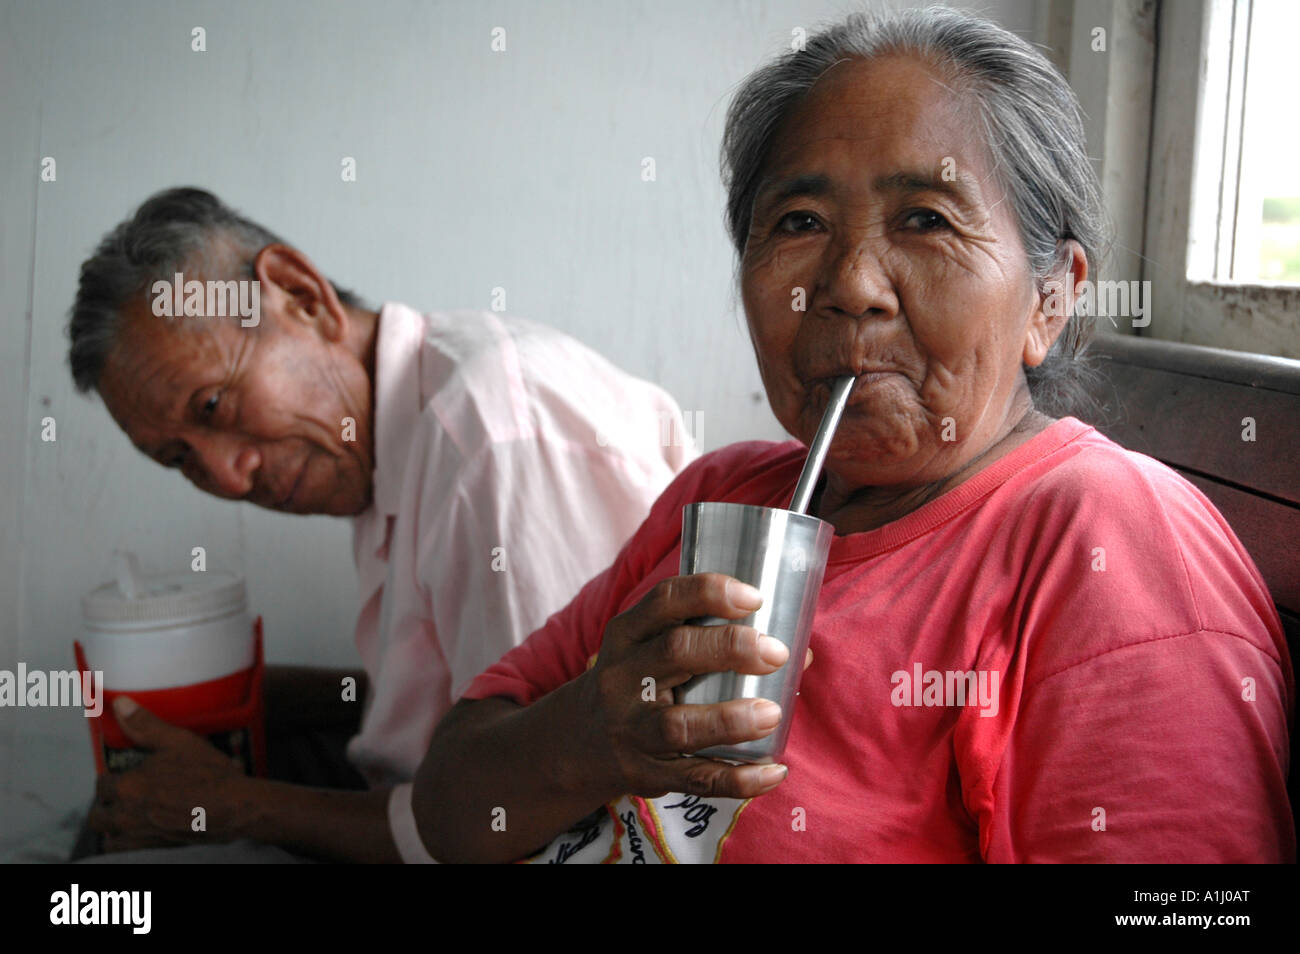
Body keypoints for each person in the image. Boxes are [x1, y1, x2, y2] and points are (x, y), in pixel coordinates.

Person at [409, 7, 1294, 863]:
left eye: (926, 219)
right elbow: (451, 808)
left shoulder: (1106, 543)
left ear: (1052, 298)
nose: (851, 286)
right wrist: (586, 736)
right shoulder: (718, 496)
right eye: (799, 223)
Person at [65, 187, 696, 862]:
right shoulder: (389, 437)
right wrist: (256, 696)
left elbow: (546, 799)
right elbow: (480, 692)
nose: (225, 477)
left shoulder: (490, 441)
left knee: (125, 853)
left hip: (558, 829)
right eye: (178, 458)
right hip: (470, 795)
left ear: (300, 294)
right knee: (133, 805)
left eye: (214, 405)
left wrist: (235, 807)